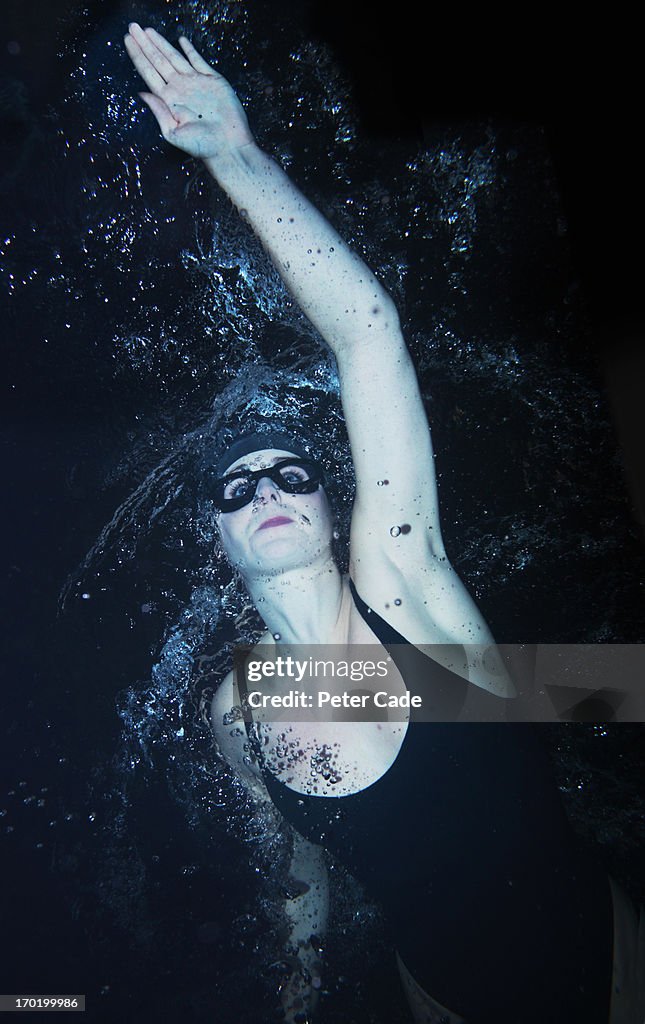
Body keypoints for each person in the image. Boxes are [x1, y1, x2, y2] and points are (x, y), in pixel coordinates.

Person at [123, 24, 639, 1024]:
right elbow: (296, 864)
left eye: (289, 472)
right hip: (435, 1002)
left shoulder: (404, 586)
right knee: (571, 693)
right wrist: (302, 976)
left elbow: (370, 338)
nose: (263, 488)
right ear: (215, 540)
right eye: (233, 489)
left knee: (576, 695)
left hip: (610, 979)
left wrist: (237, 156)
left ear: (329, 506)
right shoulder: (240, 710)